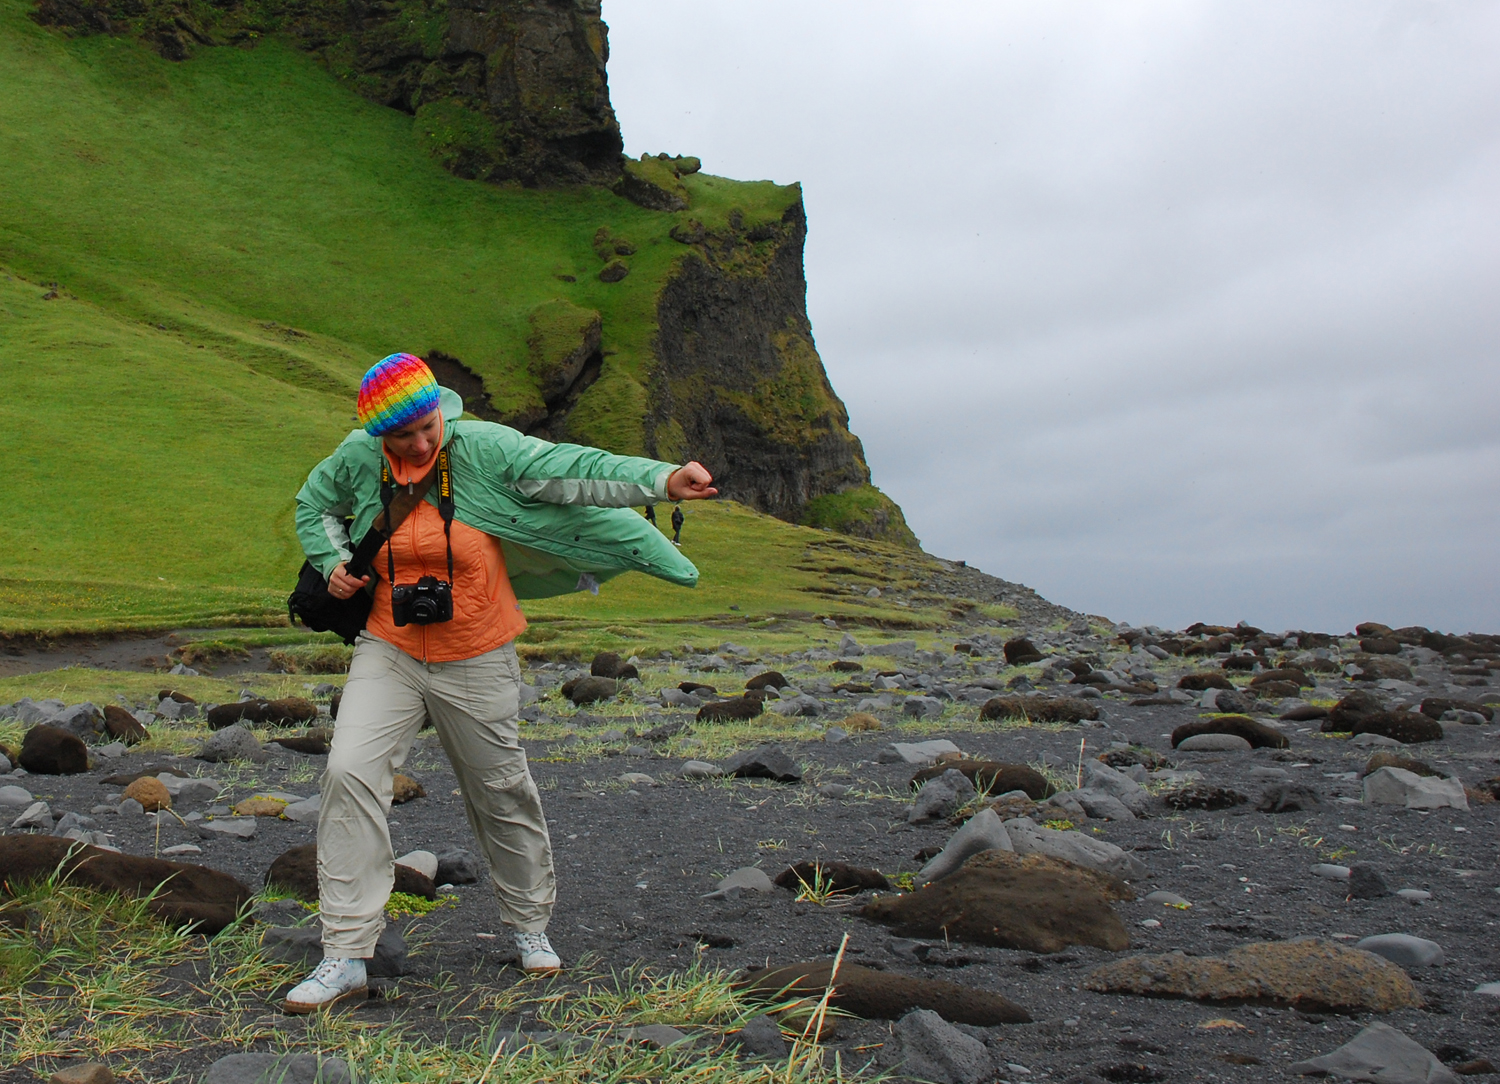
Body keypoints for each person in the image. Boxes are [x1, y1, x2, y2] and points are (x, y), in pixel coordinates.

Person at [283, 353, 715, 1014]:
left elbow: (574, 468)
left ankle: (529, 924)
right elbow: (313, 506)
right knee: (346, 772)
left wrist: (661, 479)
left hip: (477, 649)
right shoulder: (355, 458)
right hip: (390, 645)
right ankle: (344, 953)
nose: (422, 443)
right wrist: (333, 562)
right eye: (405, 436)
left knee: (500, 788)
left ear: (439, 410)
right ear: (377, 434)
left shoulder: (484, 447)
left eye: (428, 426)